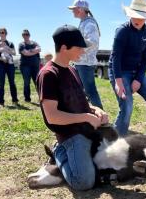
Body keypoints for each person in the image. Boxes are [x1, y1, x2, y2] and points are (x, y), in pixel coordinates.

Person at [36, 24, 108, 190]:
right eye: (79, 47)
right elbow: (52, 116)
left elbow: (79, 102)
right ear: (64, 48)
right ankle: (59, 152)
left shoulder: (72, 70)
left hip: (86, 128)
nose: (82, 51)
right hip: (70, 134)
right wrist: (85, 117)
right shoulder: (48, 74)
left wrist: (95, 110)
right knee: (84, 182)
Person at [109, 0, 146, 136]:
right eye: (135, 16)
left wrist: (138, 79)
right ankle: (115, 142)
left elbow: (145, 61)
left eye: (141, 16)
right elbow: (116, 57)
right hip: (120, 71)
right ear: (129, 15)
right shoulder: (122, 31)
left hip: (137, 72)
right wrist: (119, 82)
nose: (138, 19)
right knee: (127, 105)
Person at [68, 0, 103, 109]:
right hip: (81, 62)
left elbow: (92, 42)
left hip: (85, 63)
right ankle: (89, 114)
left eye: (74, 9)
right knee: (82, 90)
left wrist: (76, 49)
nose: (72, 11)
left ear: (81, 9)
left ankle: (101, 118)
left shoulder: (89, 23)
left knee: (90, 91)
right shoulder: (84, 22)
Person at [0, 27, 18, 107]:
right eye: (0, 32)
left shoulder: (10, 43)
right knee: (1, 83)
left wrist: (7, 48)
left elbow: (14, 53)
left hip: (10, 64)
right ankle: (1, 102)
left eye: (3, 32)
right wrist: (1, 59)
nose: (1, 34)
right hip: (0, 64)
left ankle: (15, 101)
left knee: (12, 82)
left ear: (6, 33)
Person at [19, 29, 41, 102]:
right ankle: (27, 99)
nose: (25, 36)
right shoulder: (21, 44)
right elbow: (25, 53)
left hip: (35, 65)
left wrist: (30, 51)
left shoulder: (35, 43)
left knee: (37, 82)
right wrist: (34, 51)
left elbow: (39, 49)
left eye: (27, 34)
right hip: (25, 66)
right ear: (22, 36)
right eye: (24, 34)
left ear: (29, 35)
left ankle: (41, 98)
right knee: (26, 82)